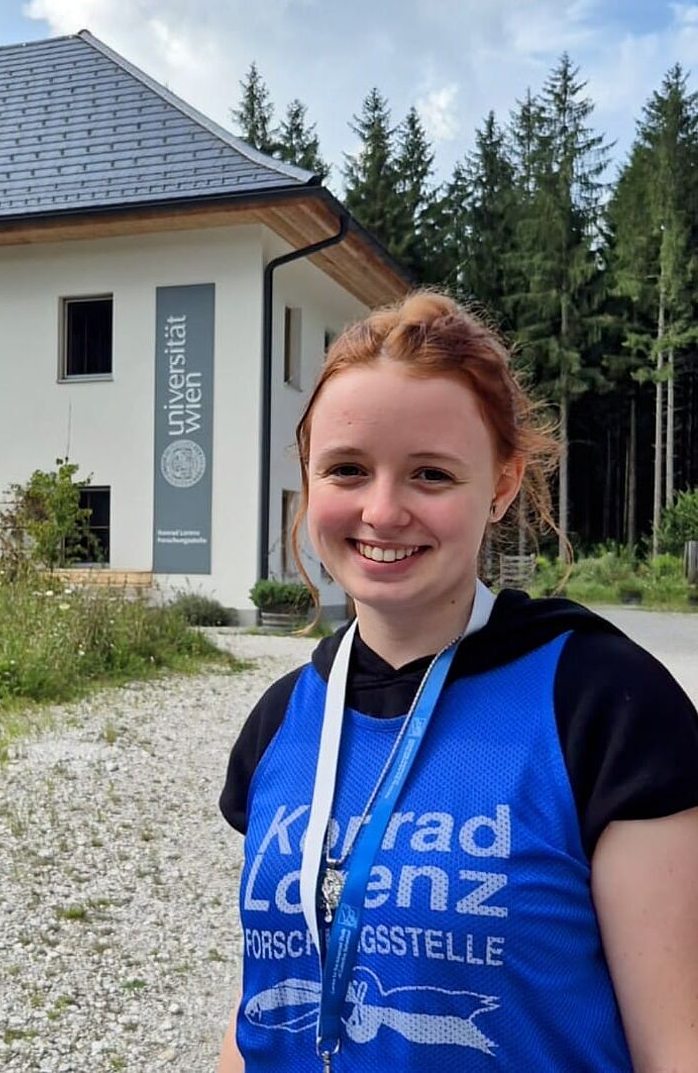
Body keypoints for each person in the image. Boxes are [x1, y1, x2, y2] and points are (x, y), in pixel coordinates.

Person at [217, 292, 698, 1072]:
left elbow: (677, 1048)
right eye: (346, 469)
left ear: (502, 485)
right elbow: (262, 1001)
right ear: (308, 478)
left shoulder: (603, 706)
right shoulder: (284, 719)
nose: (381, 510)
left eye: (430, 475)